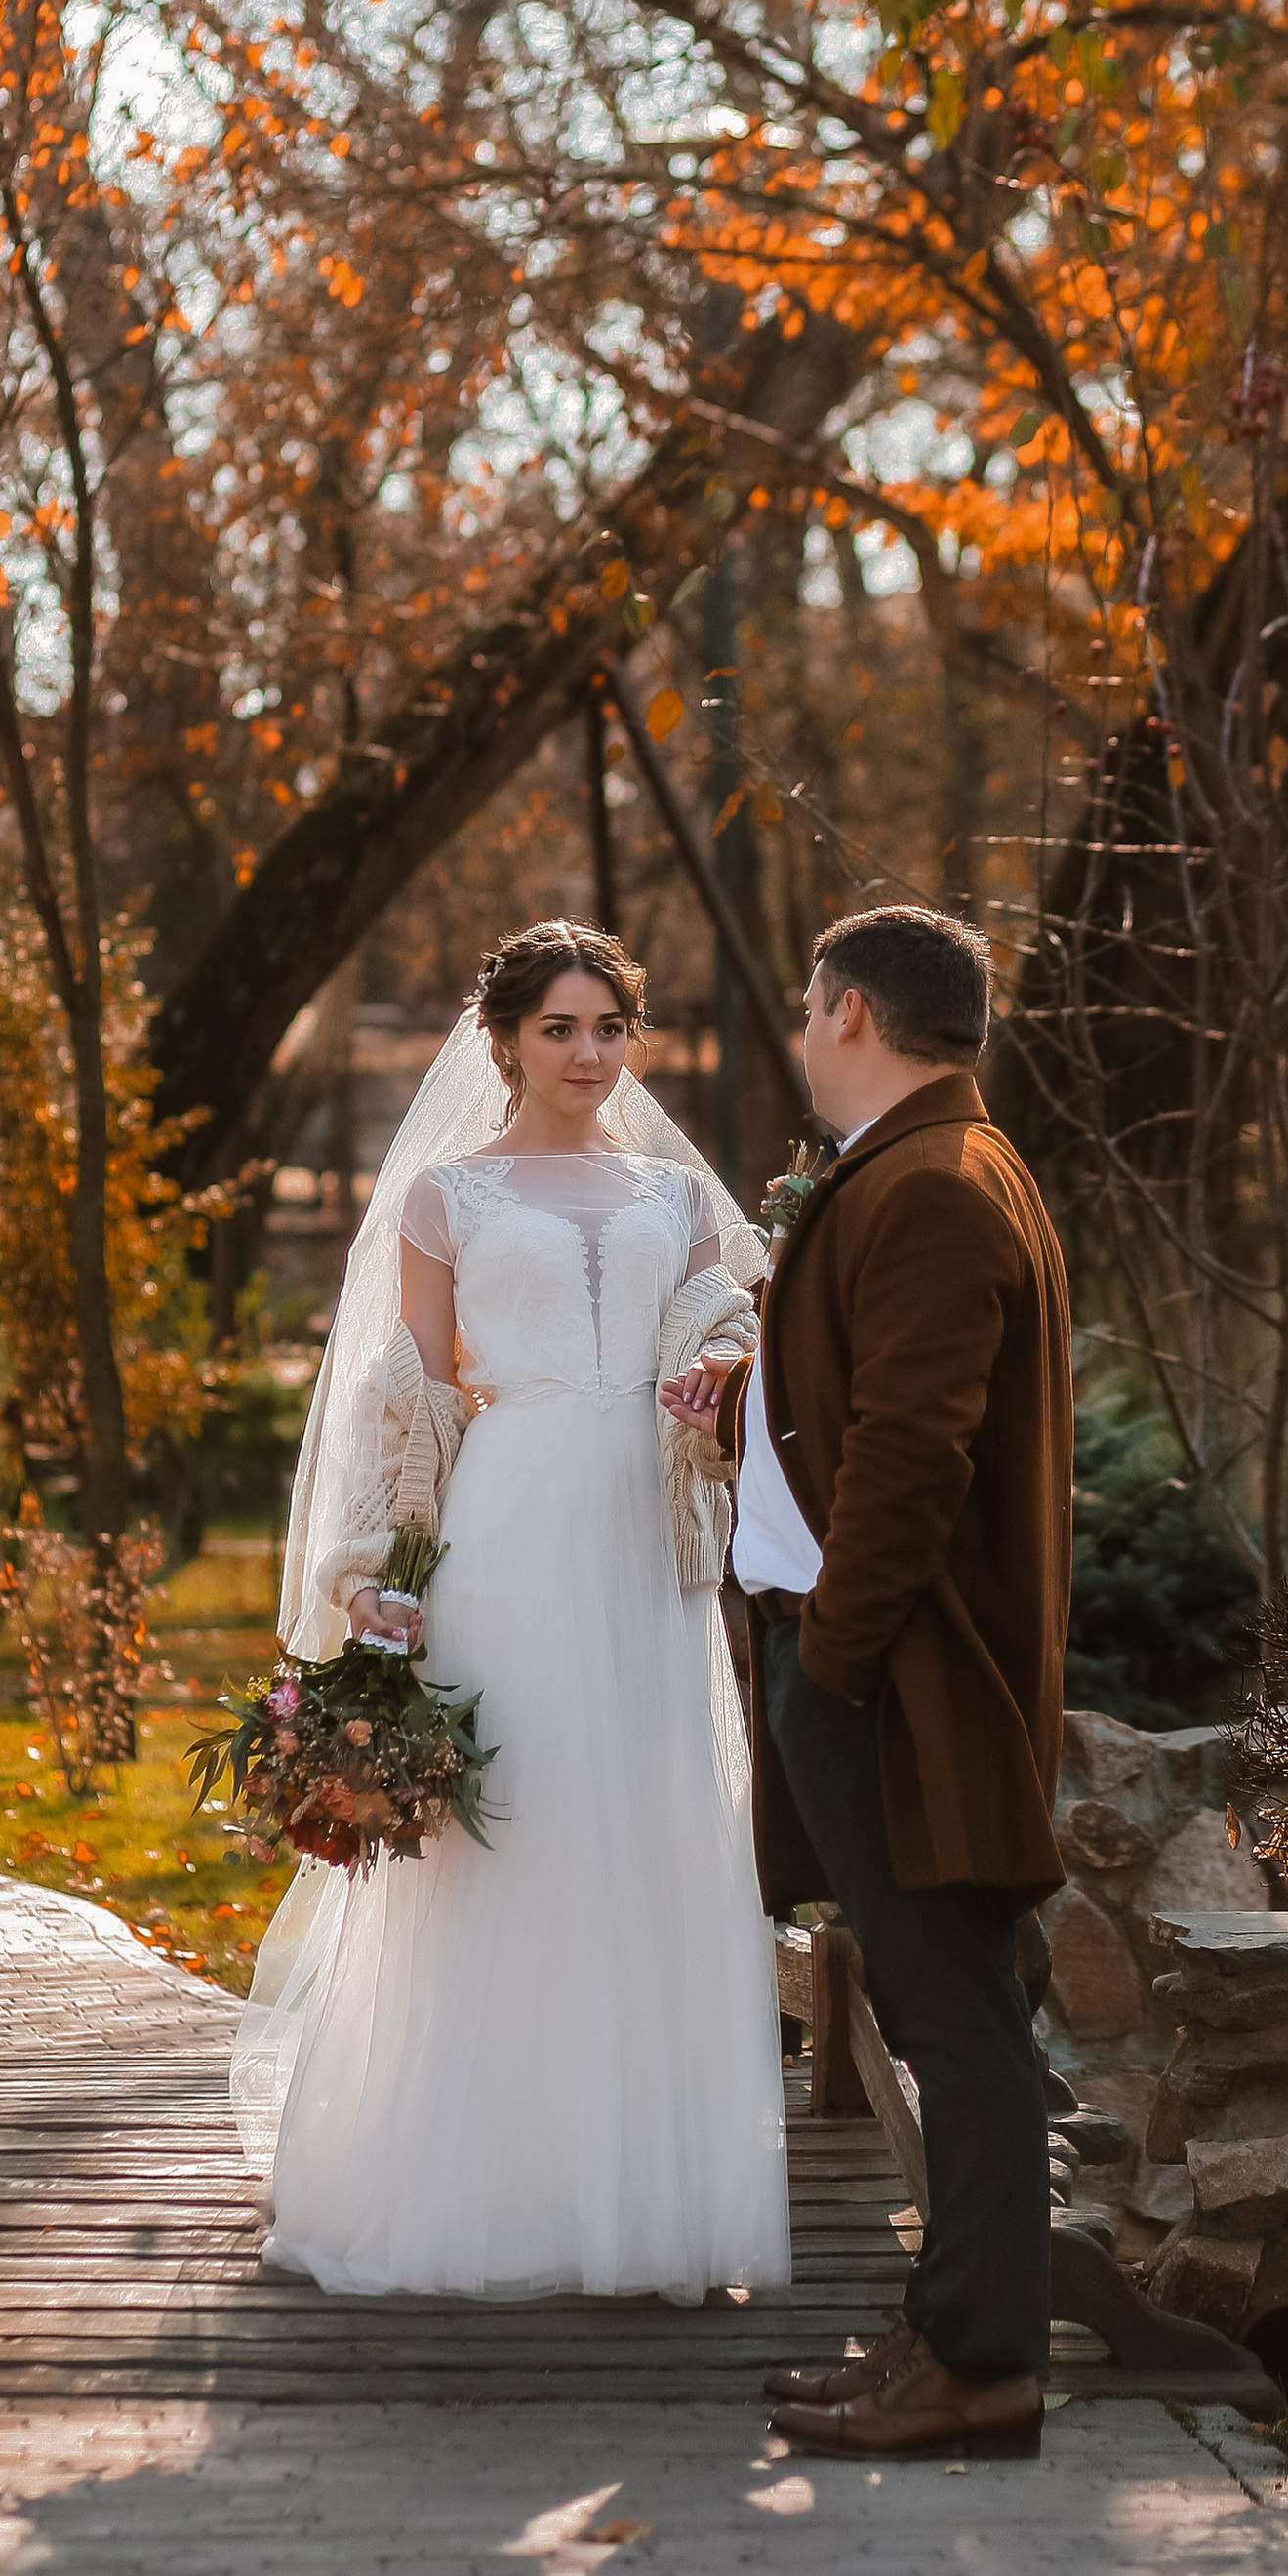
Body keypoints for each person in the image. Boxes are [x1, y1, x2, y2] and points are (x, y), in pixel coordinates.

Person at [228, 920, 791, 2305]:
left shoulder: (680, 1202)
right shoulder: (445, 1199)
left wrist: (714, 1378)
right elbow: (409, 1402)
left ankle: (642, 2197)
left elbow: (736, 1344)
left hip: (642, 1541)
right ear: (504, 1041)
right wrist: (380, 1575)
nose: (589, 1054)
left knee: (640, 1827)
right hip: (509, 1519)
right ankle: (470, 2192)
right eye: (561, 1028)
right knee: (509, 1833)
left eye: (609, 1028)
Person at [661, 901, 1071, 2459]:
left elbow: (916, 1455)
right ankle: (942, 2336)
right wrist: (754, 1402)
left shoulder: (940, 1188)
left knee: (953, 2022)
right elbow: (874, 1398)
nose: (800, 1038)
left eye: (807, 1012)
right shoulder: (923, 1169)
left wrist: (829, 1665)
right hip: (872, 1669)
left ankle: (979, 2369)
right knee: (932, 2006)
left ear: (846, 1012)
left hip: (903, 1683)